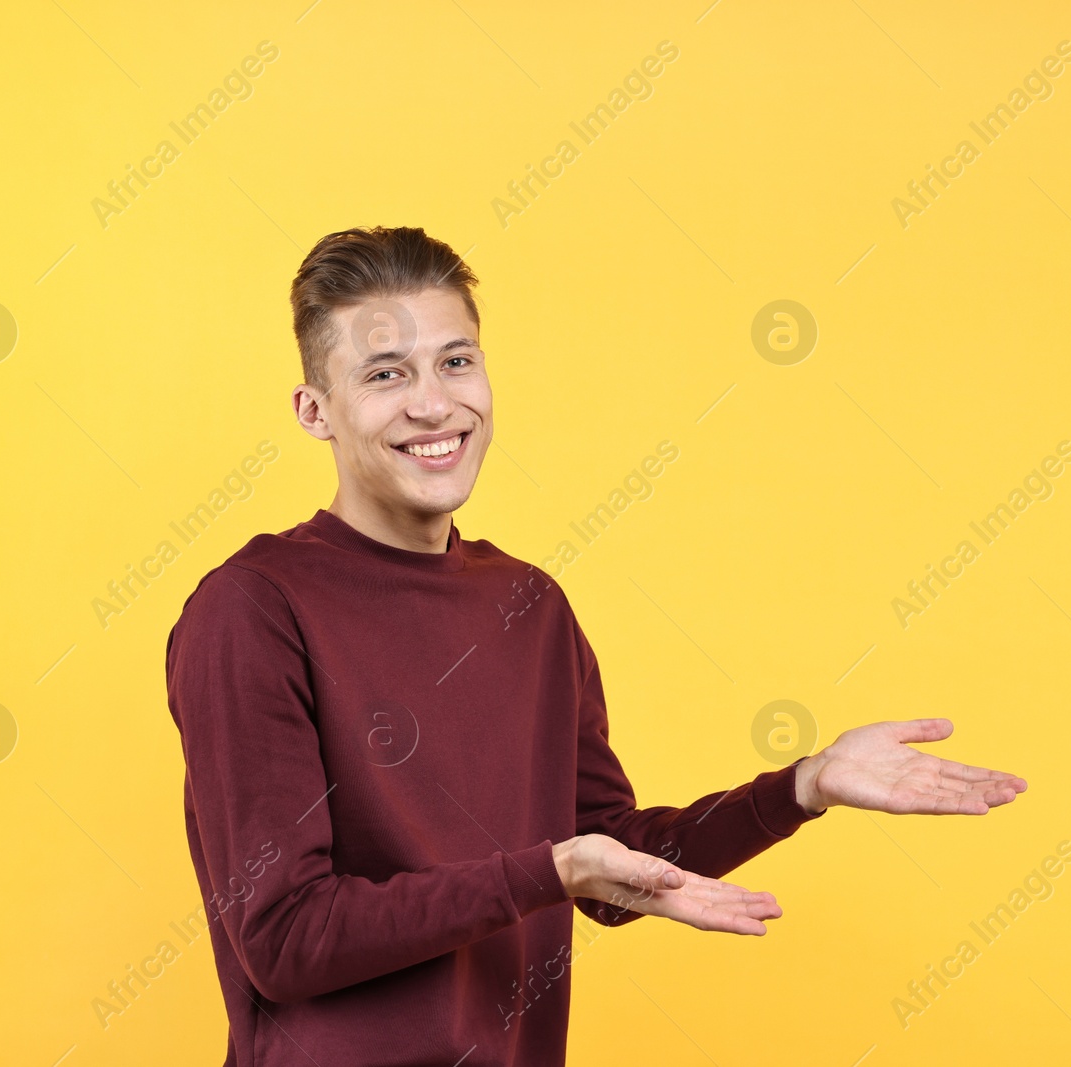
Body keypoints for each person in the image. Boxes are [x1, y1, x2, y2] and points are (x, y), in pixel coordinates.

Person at [164, 226, 1027, 1066]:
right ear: (316, 411)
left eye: (456, 361)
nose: (434, 403)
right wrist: (550, 870)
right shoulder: (252, 608)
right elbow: (285, 939)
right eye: (385, 374)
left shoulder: (529, 605)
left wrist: (801, 787)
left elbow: (607, 859)